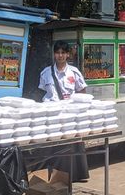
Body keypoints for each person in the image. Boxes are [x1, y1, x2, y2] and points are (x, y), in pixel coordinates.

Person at [38, 41, 89, 181]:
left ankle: (75, 175)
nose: (60, 55)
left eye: (63, 53)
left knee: (71, 144)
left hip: (69, 114)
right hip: (52, 114)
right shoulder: (46, 73)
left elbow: (82, 91)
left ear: (67, 55)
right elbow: (43, 92)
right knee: (53, 145)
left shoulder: (74, 72)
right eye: (57, 52)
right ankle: (54, 174)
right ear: (54, 54)